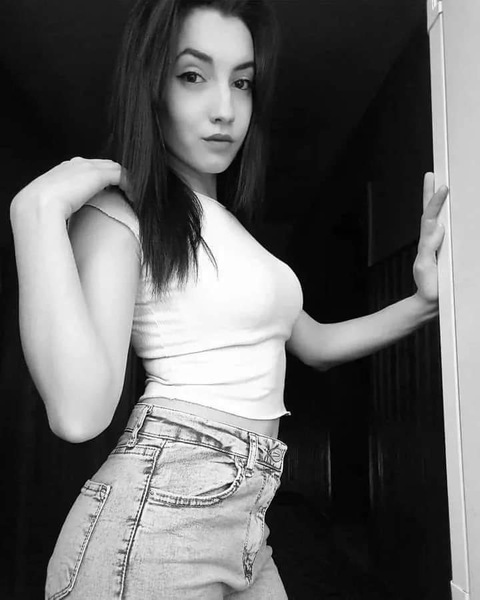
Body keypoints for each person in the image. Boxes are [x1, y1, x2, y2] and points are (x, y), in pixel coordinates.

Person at [9, 0, 448, 598]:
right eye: (193, 76)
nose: (225, 109)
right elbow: (78, 414)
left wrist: (422, 302)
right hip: (156, 519)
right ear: (151, 87)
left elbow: (316, 343)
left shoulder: (231, 229)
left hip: (246, 516)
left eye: (242, 82)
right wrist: (35, 213)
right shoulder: (122, 213)